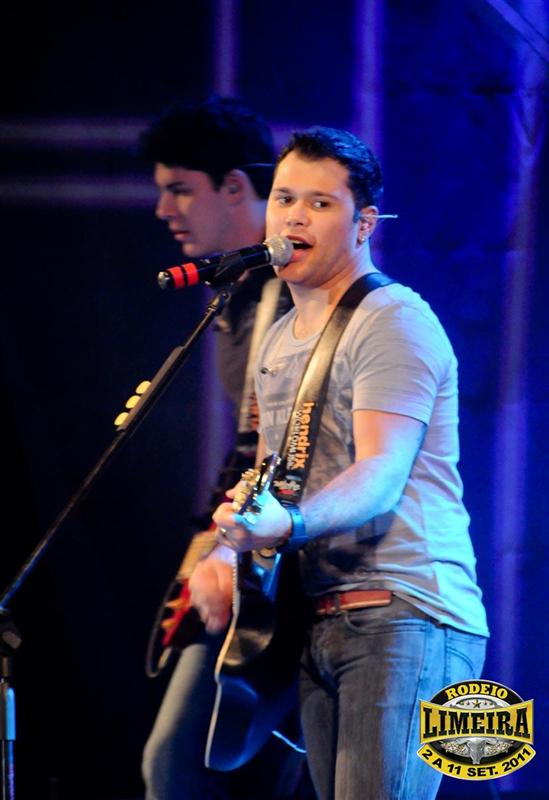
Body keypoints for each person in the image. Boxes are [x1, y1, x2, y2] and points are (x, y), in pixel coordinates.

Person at [211, 127, 489, 800]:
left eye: (320, 203)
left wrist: (287, 524)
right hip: (318, 618)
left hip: (405, 614)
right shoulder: (278, 339)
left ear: (364, 223)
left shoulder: (392, 319)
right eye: (284, 199)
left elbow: (380, 474)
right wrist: (230, 542)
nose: (294, 218)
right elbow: (278, 479)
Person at [139, 97, 304, 800]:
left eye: (180, 189)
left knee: (174, 765)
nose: (163, 210)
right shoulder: (238, 294)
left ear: (236, 187)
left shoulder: (294, 292)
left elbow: (295, 449)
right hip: (261, 560)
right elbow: (254, 445)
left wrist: (228, 551)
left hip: (292, 569)